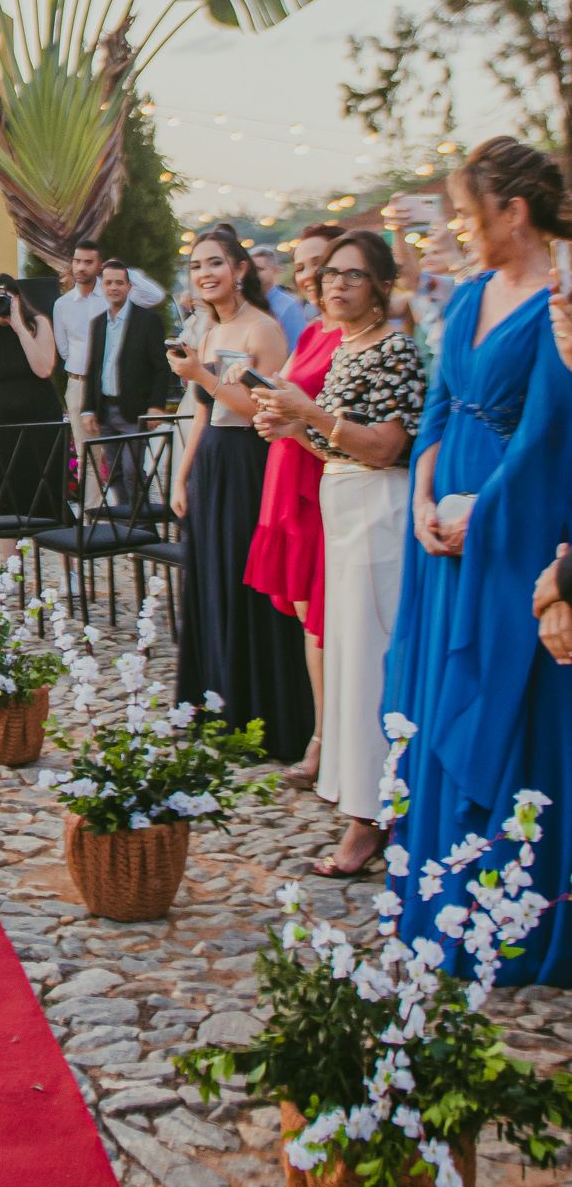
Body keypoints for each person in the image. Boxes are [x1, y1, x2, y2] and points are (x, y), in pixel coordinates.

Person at [387, 137, 572, 986]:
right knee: (435, 687)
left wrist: (481, 516)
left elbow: (543, 435)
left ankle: (505, 907)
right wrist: (423, 500)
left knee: (505, 694)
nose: (460, 229)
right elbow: (435, 405)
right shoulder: (466, 298)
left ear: (516, 213)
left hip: (515, 520)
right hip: (443, 522)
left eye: (469, 212)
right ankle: (436, 891)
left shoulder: (560, 302)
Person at [254, 231, 426, 874]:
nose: (336, 285)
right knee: (348, 657)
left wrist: (313, 418)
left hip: (380, 509)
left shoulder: (396, 351)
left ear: (381, 286)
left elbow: (383, 446)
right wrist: (294, 426)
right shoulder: (346, 348)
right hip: (341, 503)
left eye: (353, 275)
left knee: (370, 660)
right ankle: (359, 799)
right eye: (330, 275)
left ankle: (372, 817)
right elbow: (338, 443)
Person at [168, 226, 313, 758]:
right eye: (196, 266)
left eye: (214, 264)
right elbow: (203, 415)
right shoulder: (205, 332)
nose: (204, 274)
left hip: (252, 461)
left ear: (239, 270)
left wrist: (202, 374)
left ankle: (259, 713)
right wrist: (182, 478)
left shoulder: (263, 330)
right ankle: (214, 705)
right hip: (211, 462)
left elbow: (265, 409)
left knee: (246, 581)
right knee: (208, 580)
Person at [243, 222, 344, 783]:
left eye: (320, 264)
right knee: (310, 618)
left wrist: (291, 424)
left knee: (323, 621)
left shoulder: (351, 337)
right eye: (302, 266)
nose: (310, 276)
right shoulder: (309, 332)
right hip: (289, 472)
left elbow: (324, 417)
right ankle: (320, 735)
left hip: (319, 476)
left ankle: (326, 741)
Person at [0, 272, 65, 521]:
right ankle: (12, 557)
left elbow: (43, 369)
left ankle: (54, 543)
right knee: (8, 486)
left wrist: (18, 325)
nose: (0, 305)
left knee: (45, 482)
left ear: (17, 299)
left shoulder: (37, 323)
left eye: (5, 299)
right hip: (3, 418)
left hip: (41, 414)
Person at [51, 238, 164, 454]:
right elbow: (64, 348)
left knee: (122, 460)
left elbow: (154, 296)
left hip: (115, 389)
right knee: (88, 457)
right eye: (77, 261)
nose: (81, 267)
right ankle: (92, 491)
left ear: (99, 266)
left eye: (88, 262)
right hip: (79, 384)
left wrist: (122, 271)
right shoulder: (62, 304)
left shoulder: (112, 294)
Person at [80, 257, 173, 505]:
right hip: (105, 409)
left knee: (133, 472)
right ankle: (123, 528)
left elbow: (161, 368)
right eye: (109, 283)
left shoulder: (147, 321)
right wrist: (88, 408)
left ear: (129, 286)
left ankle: (142, 527)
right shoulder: (98, 323)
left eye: (119, 283)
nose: (114, 288)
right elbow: (93, 369)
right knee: (115, 472)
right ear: (103, 287)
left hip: (134, 409)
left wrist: (156, 406)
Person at [251, 243, 315, 353]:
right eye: (250, 270)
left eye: (259, 269)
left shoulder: (288, 306)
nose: (252, 274)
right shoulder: (246, 303)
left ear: (274, 270)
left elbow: (298, 349)